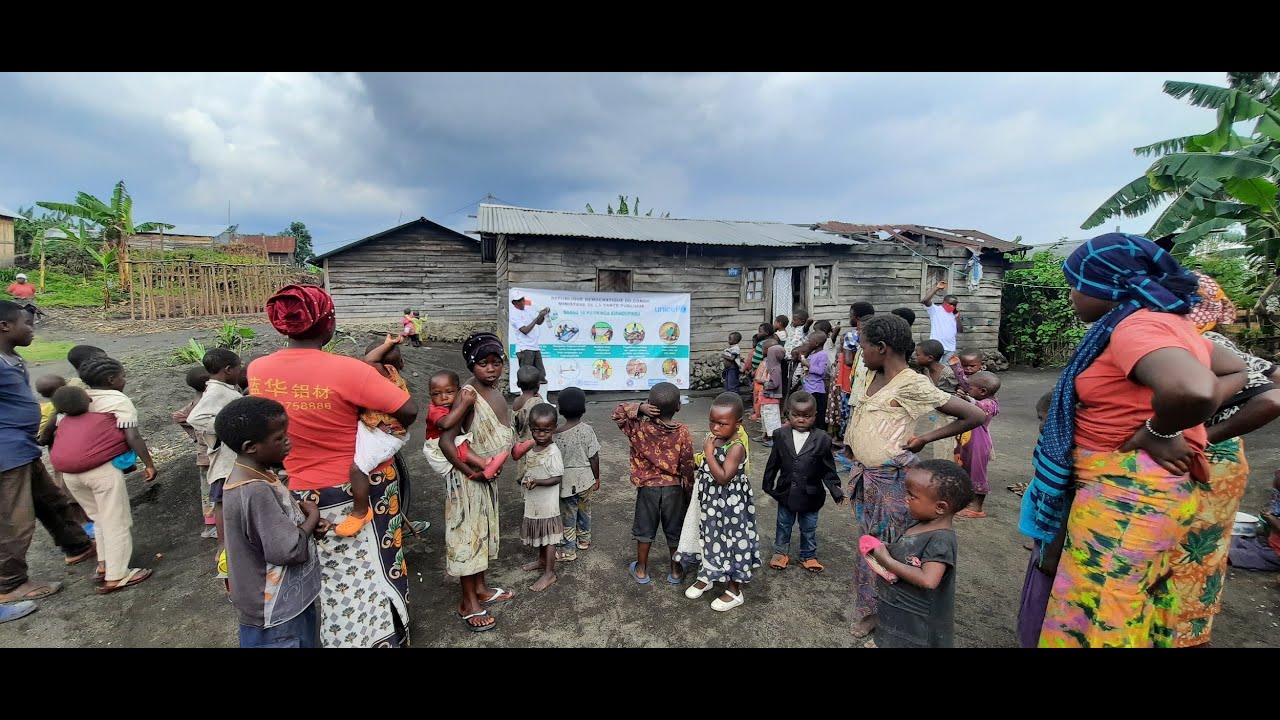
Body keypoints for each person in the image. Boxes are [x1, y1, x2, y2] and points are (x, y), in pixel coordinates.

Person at [1023, 233, 1246, 648]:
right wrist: (1173, 424)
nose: (1071, 294)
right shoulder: (1161, 322)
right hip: (1140, 491)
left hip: (1127, 498)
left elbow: (1193, 389)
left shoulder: (1137, 326)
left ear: (1108, 286)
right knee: (1122, 603)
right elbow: (1234, 371)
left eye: (1077, 283)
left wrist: (1160, 430)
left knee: (1104, 610)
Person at [250, 284, 418, 647]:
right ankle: (383, 637)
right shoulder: (348, 371)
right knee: (374, 564)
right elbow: (408, 410)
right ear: (328, 323)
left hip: (299, 492)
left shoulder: (259, 370)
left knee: (325, 574)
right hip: (363, 486)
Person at [843, 314, 985, 639]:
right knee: (868, 543)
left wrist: (925, 439)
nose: (861, 353)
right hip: (867, 478)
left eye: (864, 347)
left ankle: (883, 613)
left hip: (892, 482)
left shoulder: (911, 384)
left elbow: (974, 414)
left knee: (888, 548)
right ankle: (871, 608)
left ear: (882, 347)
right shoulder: (870, 374)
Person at [1168, 269, 1280, 647]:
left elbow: (1273, 398)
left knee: (1186, 548)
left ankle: (1179, 632)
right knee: (1203, 548)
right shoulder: (1207, 342)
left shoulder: (1198, 344)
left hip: (1199, 459)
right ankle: (1188, 631)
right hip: (1220, 460)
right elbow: (1273, 378)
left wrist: (1205, 436)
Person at [0, 301, 95, 606]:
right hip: (5, 453)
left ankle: (77, 545)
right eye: (27, 324)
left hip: (22, 447)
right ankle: (9, 584)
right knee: (14, 519)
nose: (32, 330)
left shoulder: (10, 358)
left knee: (50, 500)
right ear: (5, 326)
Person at [217, 395, 328, 648]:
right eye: (279, 438)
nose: (288, 441)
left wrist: (304, 525)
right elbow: (287, 550)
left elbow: (270, 526)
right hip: (275, 612)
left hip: (284, 604)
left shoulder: (256, 471)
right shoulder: (255, 489)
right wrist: (312, 516)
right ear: (250, 446)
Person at [438, 332, 516, 632]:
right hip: (467, 483)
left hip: (485, 481)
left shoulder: (495, 393)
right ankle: (468, 602)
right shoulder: (467, 396)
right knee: (466, 539)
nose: (491, 368)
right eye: (483, 363)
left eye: (497, 362)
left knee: (480, 536)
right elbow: (447, 441)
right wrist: (472, 472)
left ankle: (481, 589)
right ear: (472, 366)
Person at [63, 357, 160, 593]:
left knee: (99, 518)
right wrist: (148, 463)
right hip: (101, 470)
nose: (124, 380)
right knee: (116, 520)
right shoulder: (117, 399)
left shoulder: (76, 398)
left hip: (70, 472)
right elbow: (132, 436)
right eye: (122, 376)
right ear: (111, 380)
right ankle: (118, 575)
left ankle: (104, 565)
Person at [861, 459, 972, 648]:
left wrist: (886, 560)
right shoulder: (919, 523)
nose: (906, 499)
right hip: (898, 611)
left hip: (917, 626)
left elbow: (929, 580)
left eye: (912, 496)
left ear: (940, 507)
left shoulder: (940, 541)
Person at [674, 392, 760, 611]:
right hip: (711, 504)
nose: (715, 427)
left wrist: (709, 455)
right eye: (712, 421)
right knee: (709, 538)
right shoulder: (712, 439)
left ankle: (734, 590)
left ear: (738, 424)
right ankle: (708, 575)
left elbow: (723, 477)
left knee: (732, 543)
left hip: (731, 507)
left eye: (722, 423)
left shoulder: (737, 447)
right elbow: (705, 464)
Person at [613, 381, 696, 585]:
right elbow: (687, 464)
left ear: (651, 404)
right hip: (674, 489)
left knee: (645, 530)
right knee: (675, 530)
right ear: (678, 406)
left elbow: (617, 413)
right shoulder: (683, 431)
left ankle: (641, 570)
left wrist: (639, 407)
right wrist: (689, 489)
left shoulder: (639, 427)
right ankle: (676, 570)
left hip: (648, 489)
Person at [336, 335, 415, 537]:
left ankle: (360, 511)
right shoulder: (387, 374)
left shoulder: (386, 374)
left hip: (384, 434)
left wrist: (388, 344)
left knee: (358, 468)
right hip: (379, 429)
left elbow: (369, 361)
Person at [762, 391, 842, 572]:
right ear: (787, 413)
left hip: (811, 494)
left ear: (814, 416)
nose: (800, 420)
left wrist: (836, 490)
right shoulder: (780, 435)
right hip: (786, 492)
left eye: (806, 416)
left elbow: (828, 468)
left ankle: (808, 555)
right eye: (796, 415)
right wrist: (768, 483)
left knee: (809, 527)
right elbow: (773, 462)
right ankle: (781, 552)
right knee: (783, 524)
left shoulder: (822, 439)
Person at [188, 348, 245, 578]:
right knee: (223, 502)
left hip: (230, 457)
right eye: (239, 367)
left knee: (227, 502)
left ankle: (229, 545)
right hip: (226, 460)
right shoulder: (217, 391)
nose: (240, 371)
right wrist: (226, 426)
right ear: (228, 370)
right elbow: (195, 417)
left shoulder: (224, 389)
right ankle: (224, 547)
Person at [1016, 391, 1060, 648]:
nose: (1042, 425)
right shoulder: (1050, 446)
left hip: (1051, 539)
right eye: (1039, 419)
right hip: (1043, 537)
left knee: (1043, 597)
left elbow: (1057, 493)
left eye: (1047, 418)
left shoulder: (1061, 452)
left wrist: (1051, 551)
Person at [421, 370, 516, 481]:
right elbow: (446, 423)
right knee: (460, 446)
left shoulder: (452, 402)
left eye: (449, 392)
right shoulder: (435, 410)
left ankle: (500, 456)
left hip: (449, 440)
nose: (443, 397)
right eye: (436, 394)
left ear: (458, 390)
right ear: (430, 395)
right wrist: (465, 404)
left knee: (462, 444)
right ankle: (484, 464)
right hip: (435, 445)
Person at [35, 374, 94, 536]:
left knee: (70, 491)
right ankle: (84, 522)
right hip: (81, 456)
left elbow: (43, 440)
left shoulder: (52, 413)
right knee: (74, 492)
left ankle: (84, 521)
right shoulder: (67, 409)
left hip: (62, 459)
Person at [519, 404, 564, 593]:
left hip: (547, 503)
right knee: (539, 532)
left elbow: (557, 478)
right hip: (534, 500)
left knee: (549, 537)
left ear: (553, 429)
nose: (541, 435)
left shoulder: (553, 452)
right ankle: (541, 561)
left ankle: (549, 573)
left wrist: (537, 481)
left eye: (546, 431)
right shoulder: (532, 448)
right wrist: (525, 479)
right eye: (536, 430)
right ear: (530, 428)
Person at [554, 386, 600, 562]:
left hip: (566, 482)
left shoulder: (556, 433)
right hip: (586, 480)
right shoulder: (587, 430)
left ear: (560, 409)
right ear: (584, 408)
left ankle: (568, 549)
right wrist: (596, 477)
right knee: (585, 510)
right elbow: (594, 456)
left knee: (568, 514)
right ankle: (584, 539)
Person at [173, 365, 217, 538]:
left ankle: (210, 525)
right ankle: (214, 525)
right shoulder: (208, 402)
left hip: (203, 455)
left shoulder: (192, 404)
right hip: (213, 454)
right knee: (216, 489)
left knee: (207, 490)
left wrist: (194, 434)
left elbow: (177, 416)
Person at [954, 371, 1001, 519]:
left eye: (970, 388)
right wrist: (955, 364)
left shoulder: (991, 404)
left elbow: (979, 406)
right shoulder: (977, 394)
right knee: (964, 471)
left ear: (982, 391)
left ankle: (977, 507)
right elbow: (964, 382)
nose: (967, 389)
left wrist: (965, 398)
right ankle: (967, 501)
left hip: (978, 444)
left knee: (977, 473)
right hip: (966, 443)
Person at [836, 302, 875, 448]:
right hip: (872, 383)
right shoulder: (879, 334)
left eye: (850, 315)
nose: (849, 317)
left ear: (857, 319)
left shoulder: (852, 335)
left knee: (852, 414)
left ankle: (850, 448)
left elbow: (847, 360)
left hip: (855, 381)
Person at [914, 339, 959, 461]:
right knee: (941, 444)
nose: (915, 357)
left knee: (951, 445)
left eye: (918, 355)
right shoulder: (926, 371)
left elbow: (958, 391)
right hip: (940, 414)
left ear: (929, 358)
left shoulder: (948, 374)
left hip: (952, 415)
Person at [1227, 470, 1280, 572]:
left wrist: (1270, 518)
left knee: (1234, 555)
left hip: (1275, 555)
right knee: (1232, 540)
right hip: (1268, 544)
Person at [510, 296, 550, 383]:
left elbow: (539, 322)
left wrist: (542, 315)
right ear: (514, 303)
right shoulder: (514, 314)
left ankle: (539, 396)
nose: (522, 302)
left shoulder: (528, 310)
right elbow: (525, 330)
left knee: (541, 376)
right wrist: (537, 318)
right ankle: (526, 396)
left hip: (534, 347)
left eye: (522, 299)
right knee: (526, 377)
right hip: (524, 348)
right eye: (519, 301)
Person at [921, 280, 960, 364]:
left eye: (955, 304)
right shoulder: (936, 310)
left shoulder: (954, 314)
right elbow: (925, 300)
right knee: (934, 368)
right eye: (951, 304)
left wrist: (958, 318)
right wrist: (937, 288)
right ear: (944, 302)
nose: (953, 306)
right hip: (936, 347)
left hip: (950, 348)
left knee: (945, 372)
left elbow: (960, 330)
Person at [797, 331, 830, 423]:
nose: (808, 343)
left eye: (809, 341)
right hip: (808, 389)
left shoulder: (823, 354)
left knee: (817, 415)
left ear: (816, 343)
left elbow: (821, 372)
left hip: (816, 390)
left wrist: (807, 365)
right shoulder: (812, 354)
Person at [758, 344, 785, 445]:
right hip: (767, 397)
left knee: (772, 419)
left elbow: (775, 384)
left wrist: (764, 382)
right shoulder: (772, 367)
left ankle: (774, 440)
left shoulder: (776, 369)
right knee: (766, 418)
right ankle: (766, 436)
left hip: (771, 398)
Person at [746, 323, 774, 420]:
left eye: (760, 331)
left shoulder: (763, 344)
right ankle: (758, 411)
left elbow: (757, 359)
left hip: (759, 370)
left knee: (757, 393)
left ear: (766, 332)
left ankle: (757, 412)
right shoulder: (772, 342)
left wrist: (754, 369)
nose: (758, 333)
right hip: (761, 370)